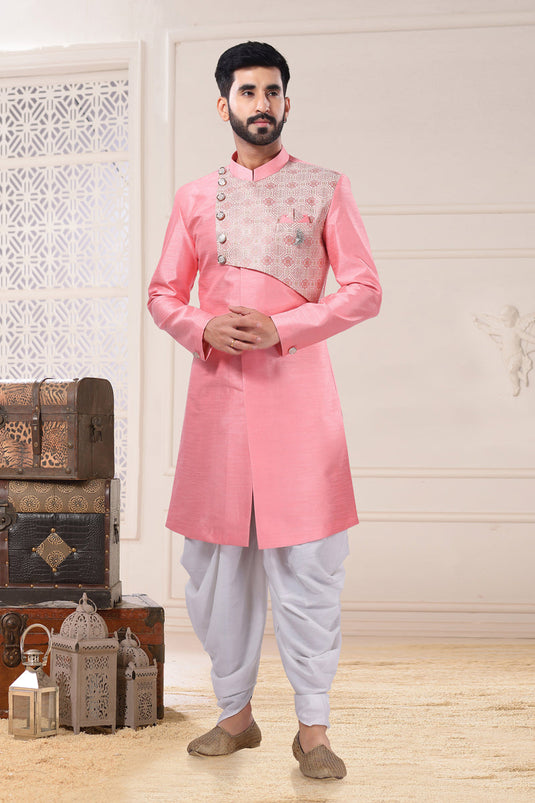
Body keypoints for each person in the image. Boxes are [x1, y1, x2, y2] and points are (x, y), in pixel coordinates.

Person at [147, 41, 382, 780]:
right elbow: (162, 294)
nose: (261, 104)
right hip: (218, 403)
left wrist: (285, 327)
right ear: (224, 104)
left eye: (272, 91)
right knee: (217, 566)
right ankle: (235, 716)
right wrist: (201, 326)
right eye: (247, 92)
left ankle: (312, 730)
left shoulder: (325, 187)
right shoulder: (194, 196)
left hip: (298, 401)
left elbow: (364, 289)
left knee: (309, 565)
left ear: (286, 101)